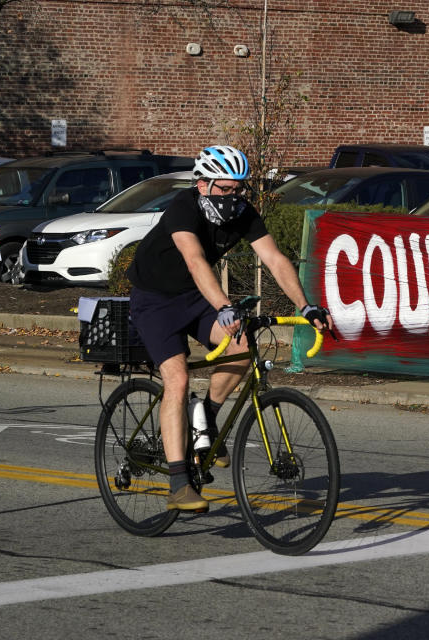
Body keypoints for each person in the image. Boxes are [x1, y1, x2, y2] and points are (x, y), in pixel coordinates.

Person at [127, 145, 334, 511]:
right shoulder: (184, 208)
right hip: (156, 299)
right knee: (177, 378)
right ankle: (178, 482)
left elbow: (274, 259)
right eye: (226, 189)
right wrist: (223, 304)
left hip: (195, 298)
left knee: (242, 345)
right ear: (203, 184)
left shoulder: (241, 213)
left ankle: (204, 418)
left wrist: (307, 305)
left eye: (240, 188)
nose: (234, 196)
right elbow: (194, 260)